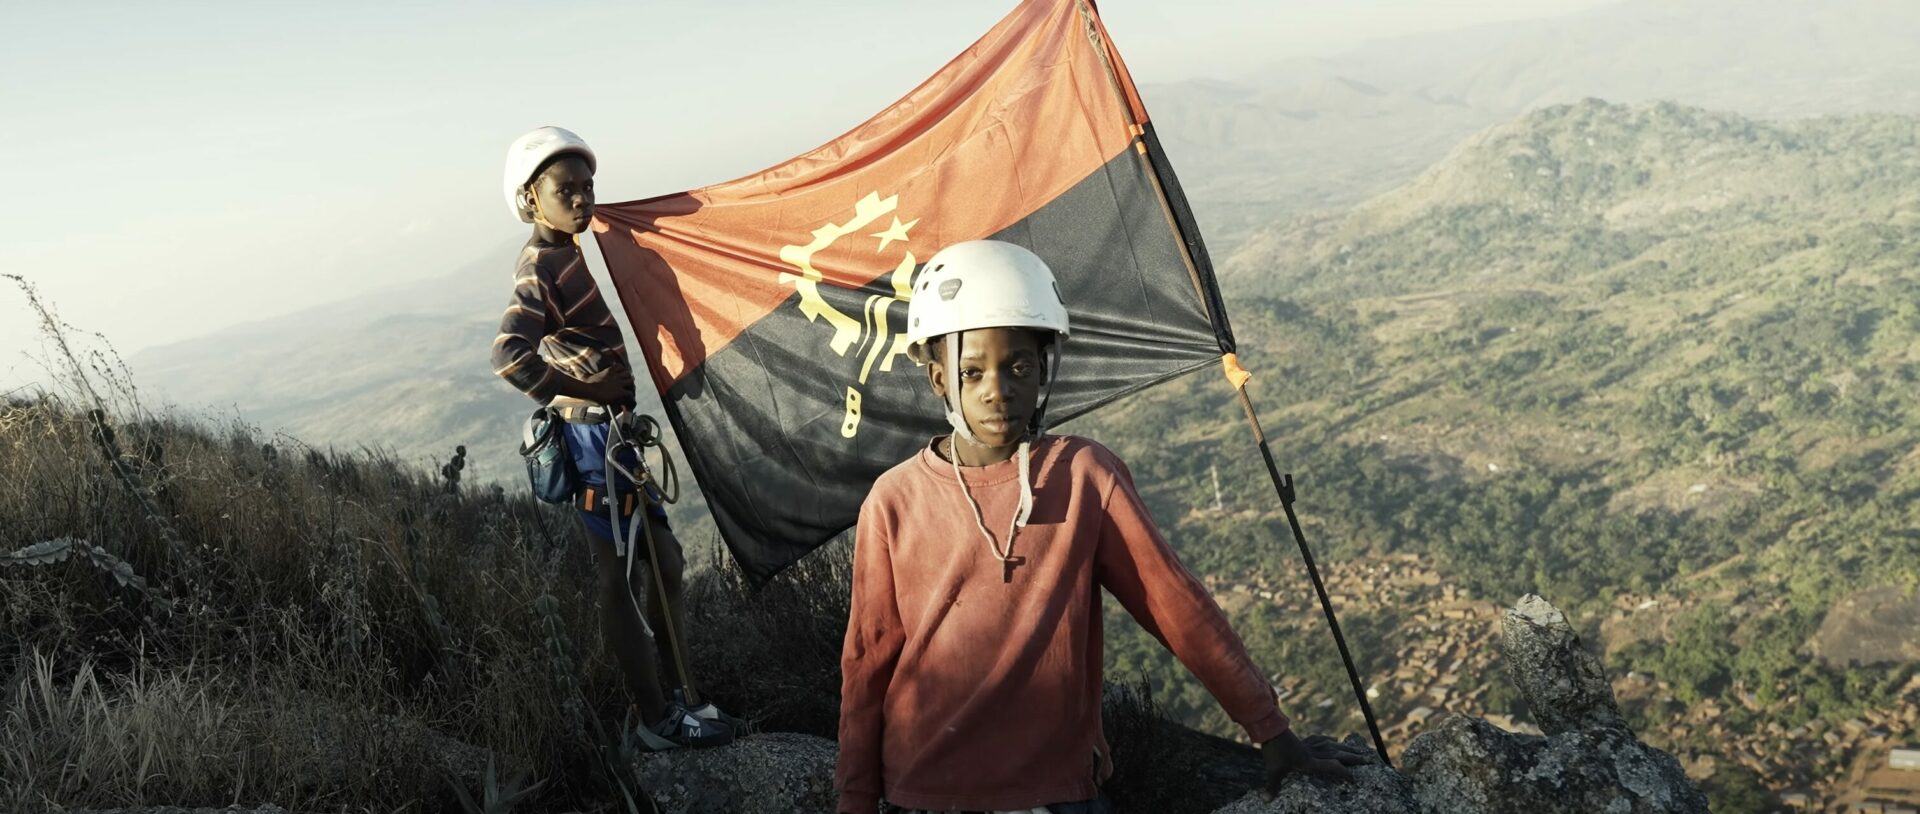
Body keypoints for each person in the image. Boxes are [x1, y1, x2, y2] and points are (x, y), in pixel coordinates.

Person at [835, 240, 1368, 813]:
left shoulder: (1085, 475)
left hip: (1057, 791)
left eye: (1019, 366)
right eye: (972, 371)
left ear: (1044, 368)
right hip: (926, 792)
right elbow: (868, 660)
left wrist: (1272, 732)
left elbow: (1176, 608)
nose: (998, 389)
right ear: (939, 378)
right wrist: (856, 799)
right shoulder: (895, 500)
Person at [492, 126, 739, 751]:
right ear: (529, 198)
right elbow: (508, 355)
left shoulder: (568, 252)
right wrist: (597, 395)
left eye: (587, 187)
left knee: (665, 564)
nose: (581, 200)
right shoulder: (542, 265)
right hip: (591, 445)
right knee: (622, 577)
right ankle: (658, 717)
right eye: (564, 189)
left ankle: (683, 699)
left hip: (614, 443)